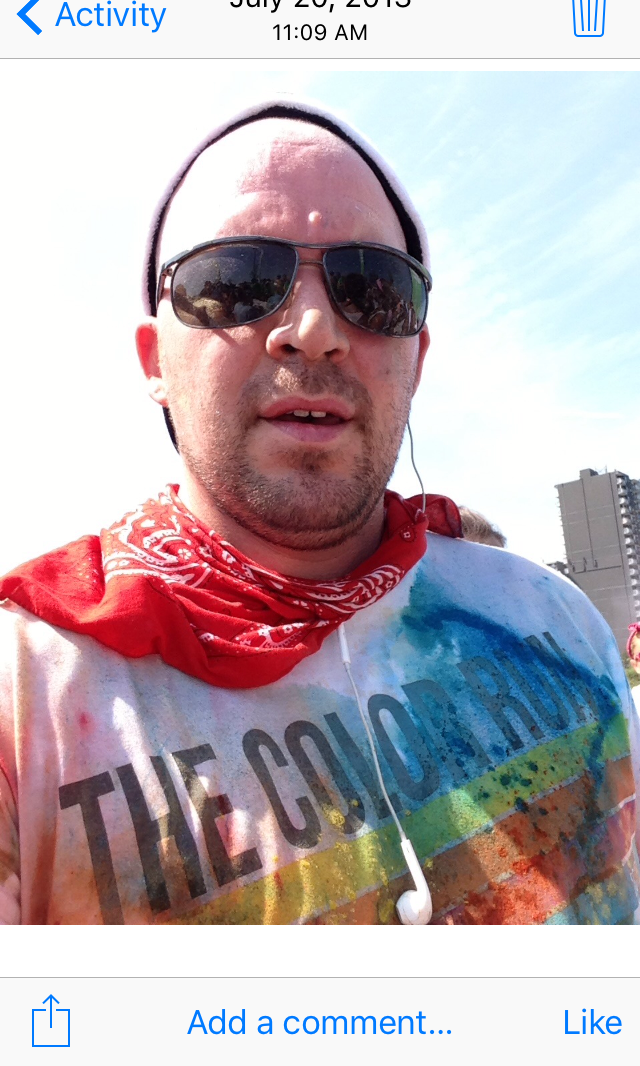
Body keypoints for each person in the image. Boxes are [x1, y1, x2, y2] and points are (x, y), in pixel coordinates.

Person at [1, 99, 638, 926]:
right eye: (233, 282)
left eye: (372, 289)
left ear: (417, 357)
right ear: (154, 360)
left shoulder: (556, 621)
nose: (312, 330)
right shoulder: (29, 699)